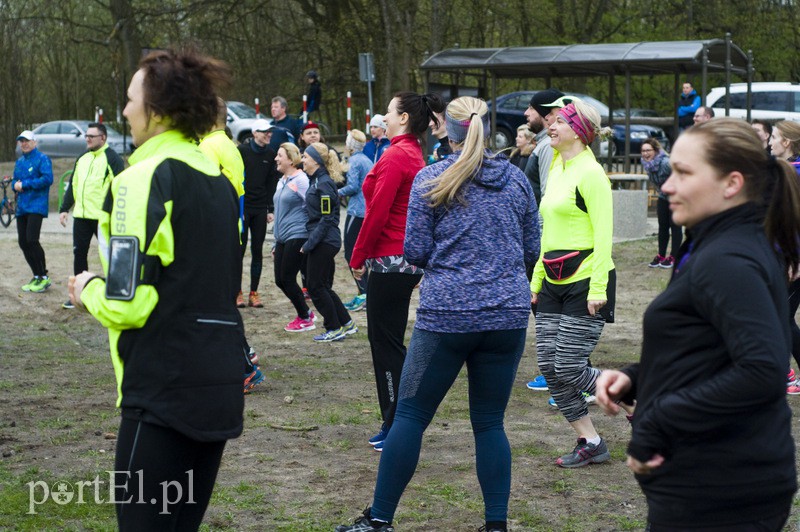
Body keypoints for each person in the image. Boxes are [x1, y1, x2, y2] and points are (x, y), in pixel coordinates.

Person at [336, 96, 539, 532]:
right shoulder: (516, 180)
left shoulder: (432, 178)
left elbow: (414, 250)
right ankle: (496, 525)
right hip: (506, 315)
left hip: (447, 313)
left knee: (410, 416)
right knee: (490, 423)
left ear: (447, 128)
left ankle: (380, 519)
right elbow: (531, 249)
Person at [69, 48, 244, 529]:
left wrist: (86, 288)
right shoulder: (218, 179)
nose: (125, 110)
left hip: (164, 390)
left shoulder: (140, 179)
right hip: (220, 382)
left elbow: (127, 303)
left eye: (131, 99)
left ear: (158, 110)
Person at [595, 118, 800, 530]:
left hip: (723, 488)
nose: (668, 186)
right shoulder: (716, 242)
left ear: (731, 184)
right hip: (715, 477)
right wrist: (638, 378)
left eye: (684, 173)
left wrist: (658, 420)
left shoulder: (729, 260)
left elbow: (763, 369)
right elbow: (708, 348)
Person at [349, 91, 446, 451]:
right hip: (400, 260)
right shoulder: (412, 152)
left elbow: (378, 211)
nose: (384, 117)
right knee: (389, 341)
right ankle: (399, 419)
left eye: (389, 112)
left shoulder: (396, 155)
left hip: (390, 260)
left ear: (404, 118)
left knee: (385, 343)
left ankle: (396, 422)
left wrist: (357, 255)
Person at [530, 98, 615, 468]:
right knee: (549, 367)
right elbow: (548, 232)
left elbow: (604, 235)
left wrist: (598, 288)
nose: (551, 126)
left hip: (586, 279)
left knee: (568, 366)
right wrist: (536, 280)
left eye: (560, 121)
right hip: (551, 279)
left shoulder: (591, 173)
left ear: (578, 132)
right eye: (552, 121)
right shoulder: (557, 167)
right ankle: (591, 441)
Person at [199, 100, 264, 393]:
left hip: (215, 235)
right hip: (231, 232)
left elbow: (204, 195)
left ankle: (245, 369)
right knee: (220, 302)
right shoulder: (229, 146)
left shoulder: (208, 147)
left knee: (216, 305)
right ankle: (245, 355)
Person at [59, 122, 125, 308]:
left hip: (102, 218)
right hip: (81, 217)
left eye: (91, 136)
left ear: (103, 138)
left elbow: (121, 187)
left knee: (109, 254)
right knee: (79, 253)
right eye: (86, 136)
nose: (87, 139)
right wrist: (64, 209)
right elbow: (73, 185)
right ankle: (79, 295)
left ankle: (116, 291)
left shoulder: (113, 159)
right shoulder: (82, 158)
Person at [301, 142, 357, 342]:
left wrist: (309, 244)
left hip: (324, 242)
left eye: (305, 157)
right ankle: (346, 323)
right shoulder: (316, 181)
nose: (302, 160)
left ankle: (333, 328)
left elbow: (326, 219)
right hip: (323, 240)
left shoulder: (323, 183)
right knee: (323, 286)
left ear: (316, 161)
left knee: (315, 286)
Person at [769, 120, 800, 395]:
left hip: (792, 260)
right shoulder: (783, 169)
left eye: (774, 137)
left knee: (782, 317)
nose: (769, 142)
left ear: (787, 142)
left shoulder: (794, 172)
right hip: (780, 256)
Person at [237, 118, 281, 308]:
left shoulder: (271, 154)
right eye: (265, 132)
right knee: (239, 251)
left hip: (260, 208)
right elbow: (235, 177)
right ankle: (237, 291)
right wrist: (236, 206)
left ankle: (253, 293)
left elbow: (271, 182)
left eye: (270, 131)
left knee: (257, 250)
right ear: (255, 133)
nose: (269, 134)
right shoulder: (242, 151)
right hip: (243, 207)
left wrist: (270, 209)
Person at [273, 142, 316, 332]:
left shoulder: (301, 180)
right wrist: (275, 240)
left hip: (297, 234)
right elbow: (279, 211)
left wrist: (313, 235)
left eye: (280, 155)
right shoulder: (281, 181)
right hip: (281, 237)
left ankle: (305, 317)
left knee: (287, 278)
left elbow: (312, 206)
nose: (276, 158)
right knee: (279, 280)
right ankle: (307, 312)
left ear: (290, 160)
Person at [13, 130, 53, 293]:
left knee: (32, 240)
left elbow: (47, 179)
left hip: (36, 206)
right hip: (22, 207)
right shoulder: (20, 162)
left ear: (34, 142)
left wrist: (25, 184)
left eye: (27, 141)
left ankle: (44, 276)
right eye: (21, 141)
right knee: (23, 242)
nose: (24, 144)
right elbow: (15, 181)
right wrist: (14, 185)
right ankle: (36, 275)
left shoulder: (43, 159)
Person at [339, 129, 374, 312]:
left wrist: (335, 192)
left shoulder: (354, 161)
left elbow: (353, 186)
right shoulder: (367, 159)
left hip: (356, 211)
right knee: (360, 252)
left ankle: (364, 294)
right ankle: (365, 293)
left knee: (351, 253)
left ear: (350, 145)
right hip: (366, 210)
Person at [641, 138, 681, 268]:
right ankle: (661, 255)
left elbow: (680, 176)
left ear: (656, 150)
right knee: (663, 226)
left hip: (676, 196)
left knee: (675, 226)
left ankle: (674, 256)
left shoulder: (665, 163)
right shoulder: (647, 164)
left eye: (648, 150)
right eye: (643, 151)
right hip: (663, 196)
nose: (645, 153)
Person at [522, 88, 563, 208]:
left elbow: (547, 193)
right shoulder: (543, 143)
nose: (526, 113)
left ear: (544, 113)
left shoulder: (548, 145)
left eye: (531, 108)